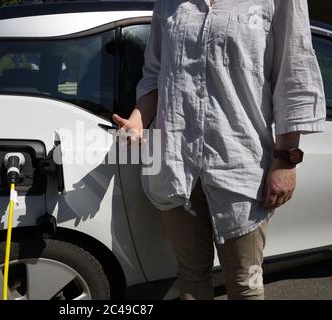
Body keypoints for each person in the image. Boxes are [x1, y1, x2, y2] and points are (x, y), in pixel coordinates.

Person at [112, 0, 326, 300]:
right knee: (190, 280)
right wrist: (137, 120)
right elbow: (155, 74)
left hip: (240, 165)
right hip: (175, 163)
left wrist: (287, 159)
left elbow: (295, 70)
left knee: (244, 285)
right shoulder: (170, 4)